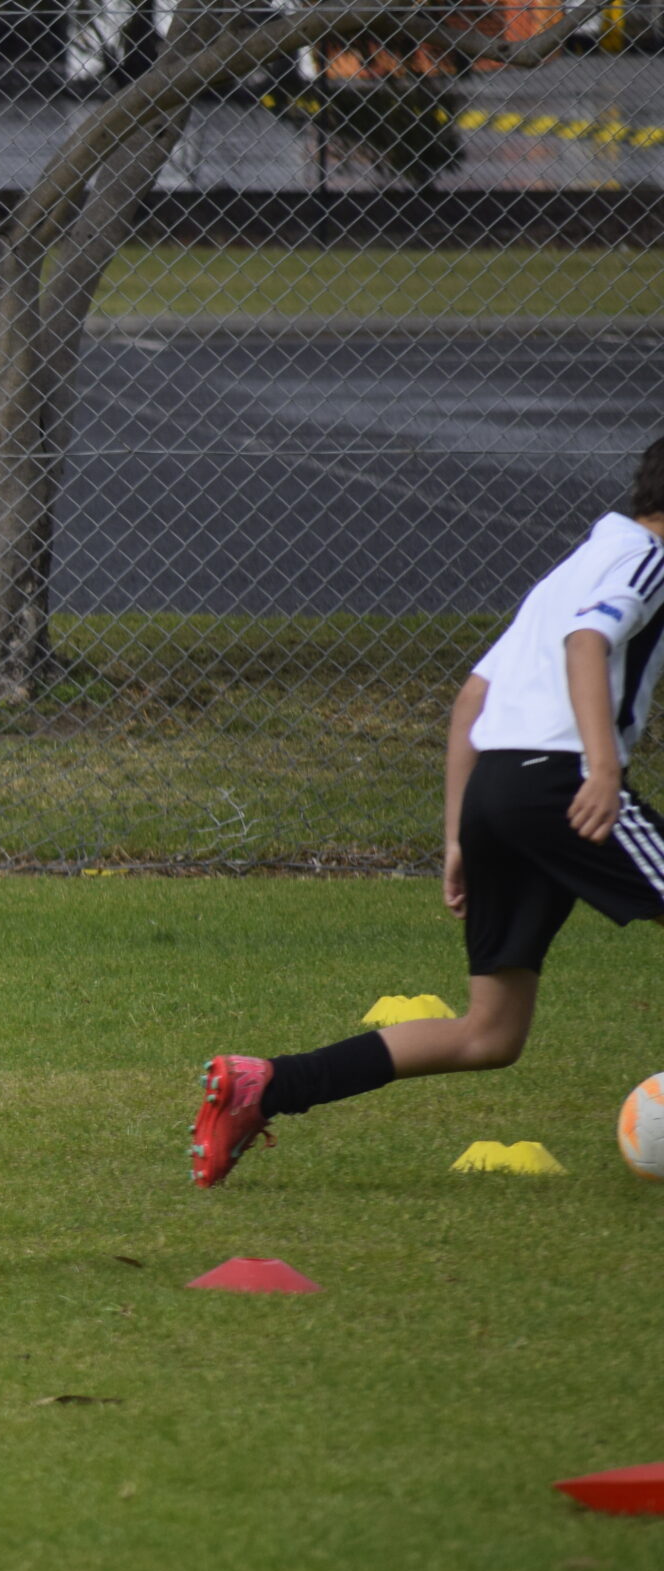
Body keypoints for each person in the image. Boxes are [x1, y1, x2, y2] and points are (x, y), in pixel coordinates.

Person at [193, 436, 664, 1184]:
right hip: (558, 782)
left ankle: (270, 1084)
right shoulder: (645, 557)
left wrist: (456, 837)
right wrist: (602, 768)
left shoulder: (577, 564)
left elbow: (473, 697)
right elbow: (588, 641)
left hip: (495, 792)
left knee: (490, 1032)